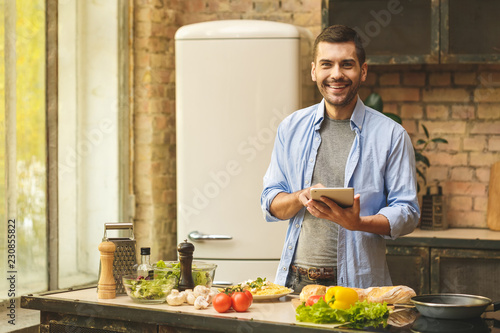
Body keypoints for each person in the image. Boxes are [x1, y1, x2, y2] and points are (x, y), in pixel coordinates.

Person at [260, 25, 420, 293]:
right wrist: (301, 196)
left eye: (347, 64)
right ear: (314, 71)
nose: (336, 74)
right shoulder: (291, 128)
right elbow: (270, 200)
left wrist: (358, 223)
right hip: (295, 283)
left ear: (363, 71)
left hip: (358, 285)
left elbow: (408, 212)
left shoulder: (392, 135)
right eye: (327, 64)